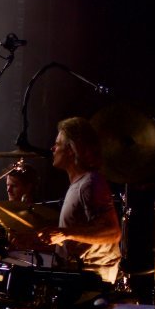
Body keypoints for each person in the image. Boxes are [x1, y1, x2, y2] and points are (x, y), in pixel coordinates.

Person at [40, 116, 122, 284]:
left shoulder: (91, 183)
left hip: (93, 279)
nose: (53, 148)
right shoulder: (78, 185)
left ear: (71, 149)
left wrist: (64, 233)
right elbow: (78, 239)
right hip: (78, 275)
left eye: (58, 144)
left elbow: (112, 232)